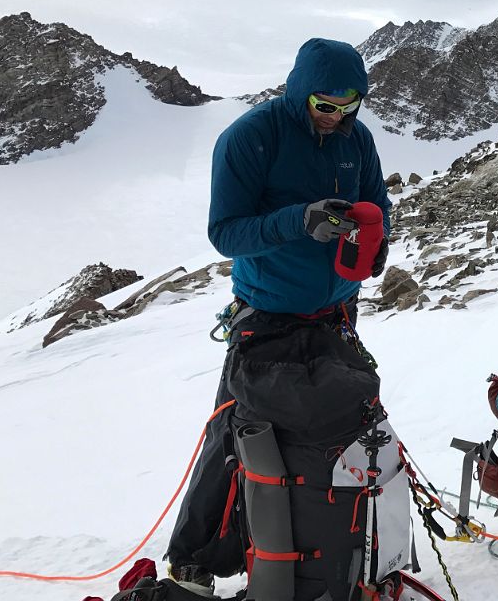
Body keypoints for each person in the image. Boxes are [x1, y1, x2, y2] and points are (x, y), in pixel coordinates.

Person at [166, 38, 393, 594]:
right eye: (325, 104)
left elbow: (377, 200)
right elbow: (226, 232)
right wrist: (299, 221)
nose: (337, 116)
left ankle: (340, 550)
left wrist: (378, 237)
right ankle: (194, 557)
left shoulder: (355, 140)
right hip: (265, 314)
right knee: (234, 433)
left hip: (336, 312)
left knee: (341, 429)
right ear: (298, 91)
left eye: (349, 105)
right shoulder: (251, 138)